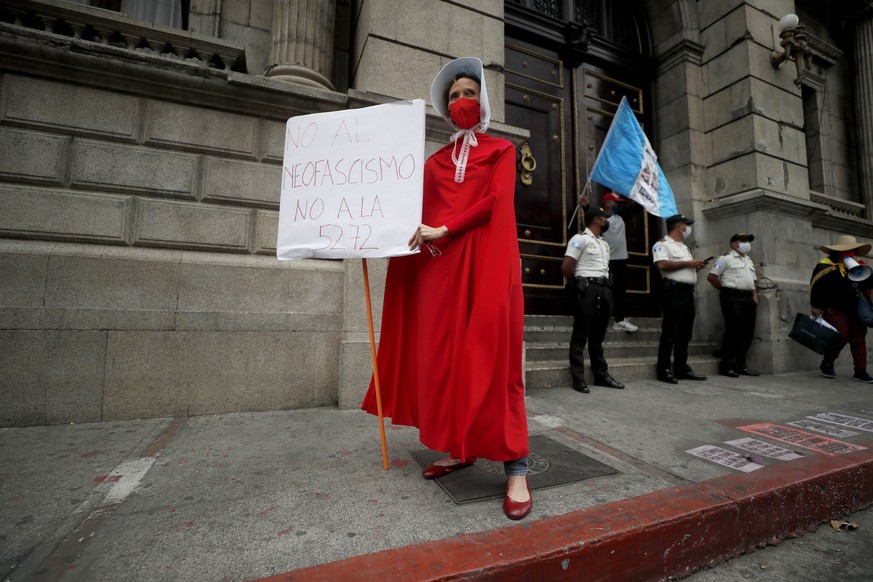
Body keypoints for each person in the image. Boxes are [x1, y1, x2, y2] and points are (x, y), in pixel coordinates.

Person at [361, 57, 532, 520]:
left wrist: (446, 227)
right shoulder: (433, 162)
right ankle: (461, 449)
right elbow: (402, 207)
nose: (461, 101)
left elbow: (497, 201)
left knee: (492, 362)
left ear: (483, 102)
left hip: (485, 269)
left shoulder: (501, 151)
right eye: (454, 96)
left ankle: (516, 467)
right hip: (440, 275)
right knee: (445, 361)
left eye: (469, 94)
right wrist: (363, 228)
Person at [562, 206, 626, 393]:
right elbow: (567, 266)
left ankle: (601, 375)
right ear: (596, 220)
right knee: (581, 335)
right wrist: (576, 285)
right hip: (587, 288)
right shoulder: (580, 239)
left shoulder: (604, 243)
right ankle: (579, 378)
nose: (607, 221)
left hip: (604, 288)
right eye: (604, 218)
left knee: (598, 336)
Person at [652, 213, 709, 383]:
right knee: (670, 333)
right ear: (678, 226)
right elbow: (662, 265)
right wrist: (688, 264)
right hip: (673, 292)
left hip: (687, 292)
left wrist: (695, 267)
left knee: (685, 333)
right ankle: (663, 370)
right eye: (686, 224)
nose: (687, 228)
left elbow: (685, 268)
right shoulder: (662, 245)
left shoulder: (684, 247)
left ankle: (681, 367)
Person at [809, 235, 873, 383]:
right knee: (841, 335)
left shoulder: (861, 264)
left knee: (858, 338)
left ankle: (860, 371)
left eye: (852, 250)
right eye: (846, 250)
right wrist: (816, 306)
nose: (850, 253)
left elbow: (869, 284)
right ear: (837, 252)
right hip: (834, 307)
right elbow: (817, 287)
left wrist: (863, 272)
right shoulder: (825, 265)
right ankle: (828, 362)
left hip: (856, 308)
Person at [707, 233, 759, 377]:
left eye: (748, 240)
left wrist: (755, 298)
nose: (747, 243)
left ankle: (741, 365)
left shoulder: (749, 260)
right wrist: (726, 290)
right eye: (743, 240)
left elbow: (753, 282)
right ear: (733, 244)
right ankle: (727, 365)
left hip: (748, 298)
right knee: (733, 331)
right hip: (732, 297)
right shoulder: (725, 258)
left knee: (747, 332)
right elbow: (712, 277)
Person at [600, 192, 639, 333]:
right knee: (603, 292)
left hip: (621, 260)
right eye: (615, 202)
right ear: (608, 203)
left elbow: (636, 209)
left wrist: (643, 195)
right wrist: (585, 206)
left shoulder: (621, 217)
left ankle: (619, 320)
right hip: (605, 261)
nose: (618, 204)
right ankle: (598, 319)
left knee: (620, 292)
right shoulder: (600, 218)